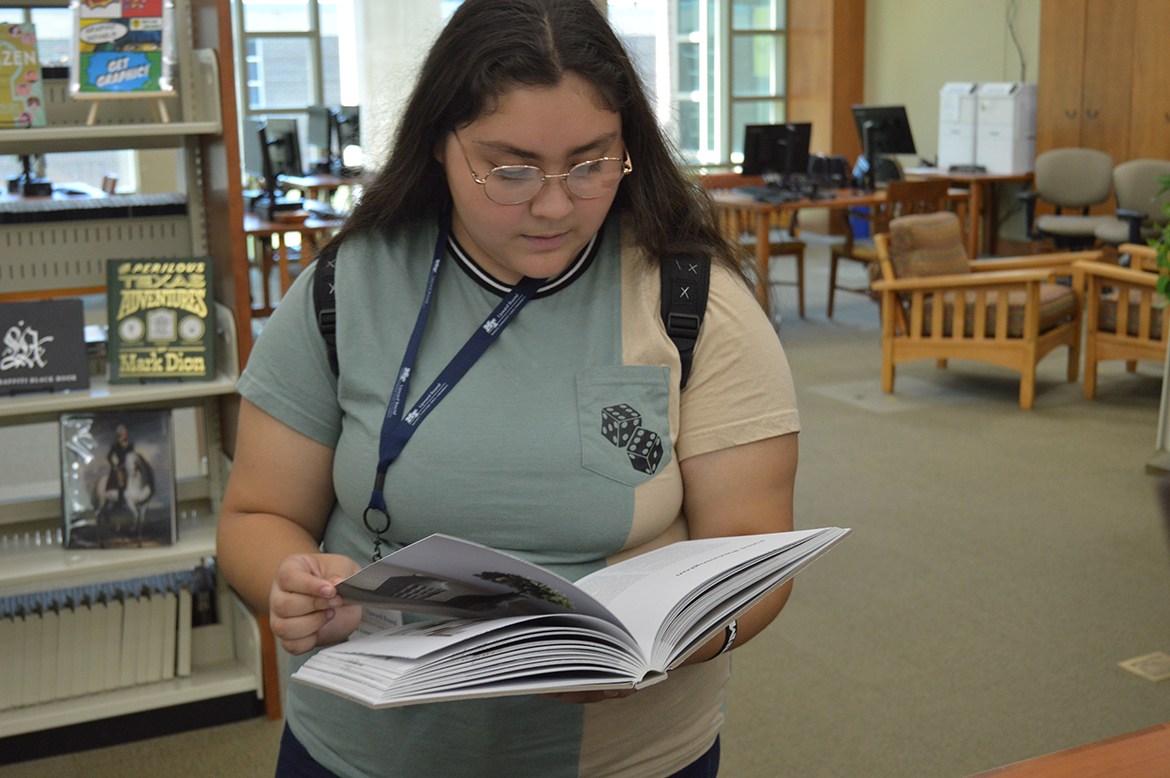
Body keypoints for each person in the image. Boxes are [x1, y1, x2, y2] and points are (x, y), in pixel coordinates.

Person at [216, 1, 800, 776]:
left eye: (591, 163)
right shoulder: (345, 286)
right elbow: (258, 513)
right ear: (438, 145)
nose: (555, 204)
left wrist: (663, 648)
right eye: (511, 169)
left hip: (629, 758)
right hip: (367, 751)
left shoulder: (692, 300)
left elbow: (749, 561)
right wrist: (291, 583)